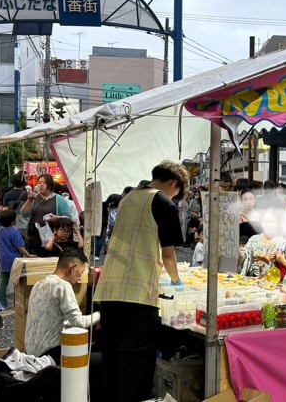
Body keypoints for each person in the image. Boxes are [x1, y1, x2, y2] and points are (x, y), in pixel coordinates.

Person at [94, 161, 187, 402]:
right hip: (137, 292)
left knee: (112, 357)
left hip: (110, 288)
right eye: (178, 193)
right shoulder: (163, 203)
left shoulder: (127, 198)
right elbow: (169, 254)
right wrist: (178, 282)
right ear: (174, 184)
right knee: (135, 360)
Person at [26, 248, 100, 360]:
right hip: (48, 355)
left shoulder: (38, 284)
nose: (80, 277)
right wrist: (100, 314)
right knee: (99, 359)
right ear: (74, 267)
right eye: (82, 271)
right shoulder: (62, 286)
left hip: (30, 354)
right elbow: (78, 322)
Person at [21, 174, 73, 255]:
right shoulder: (35, 198)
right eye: (39, 183)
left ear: (50, 185)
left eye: (44, 183)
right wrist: (29, 200)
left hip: (53, 236)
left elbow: (68, 218)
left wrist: (56, 218)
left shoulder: (59, 199)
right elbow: (24, 214)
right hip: (35, 236)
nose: (41, 185)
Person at [0, 209, 34, 309]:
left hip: (3, 260)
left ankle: (3, 304)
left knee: (3, 283)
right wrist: (28, 256)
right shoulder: (14, 232)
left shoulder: (0, 231)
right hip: (15, 260)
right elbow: (20, 247)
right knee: (17, 282)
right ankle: (17, 302)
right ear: (13, 221)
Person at [239, 212, 286, 278]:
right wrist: (239, 254)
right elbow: (245, 257)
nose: (267, 225)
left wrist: (266, 260)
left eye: (271, 222)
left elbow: (283, 270)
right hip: (250, 281)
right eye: (265, 221)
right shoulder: (254, 239)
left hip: (271, 283)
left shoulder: (282, 243)